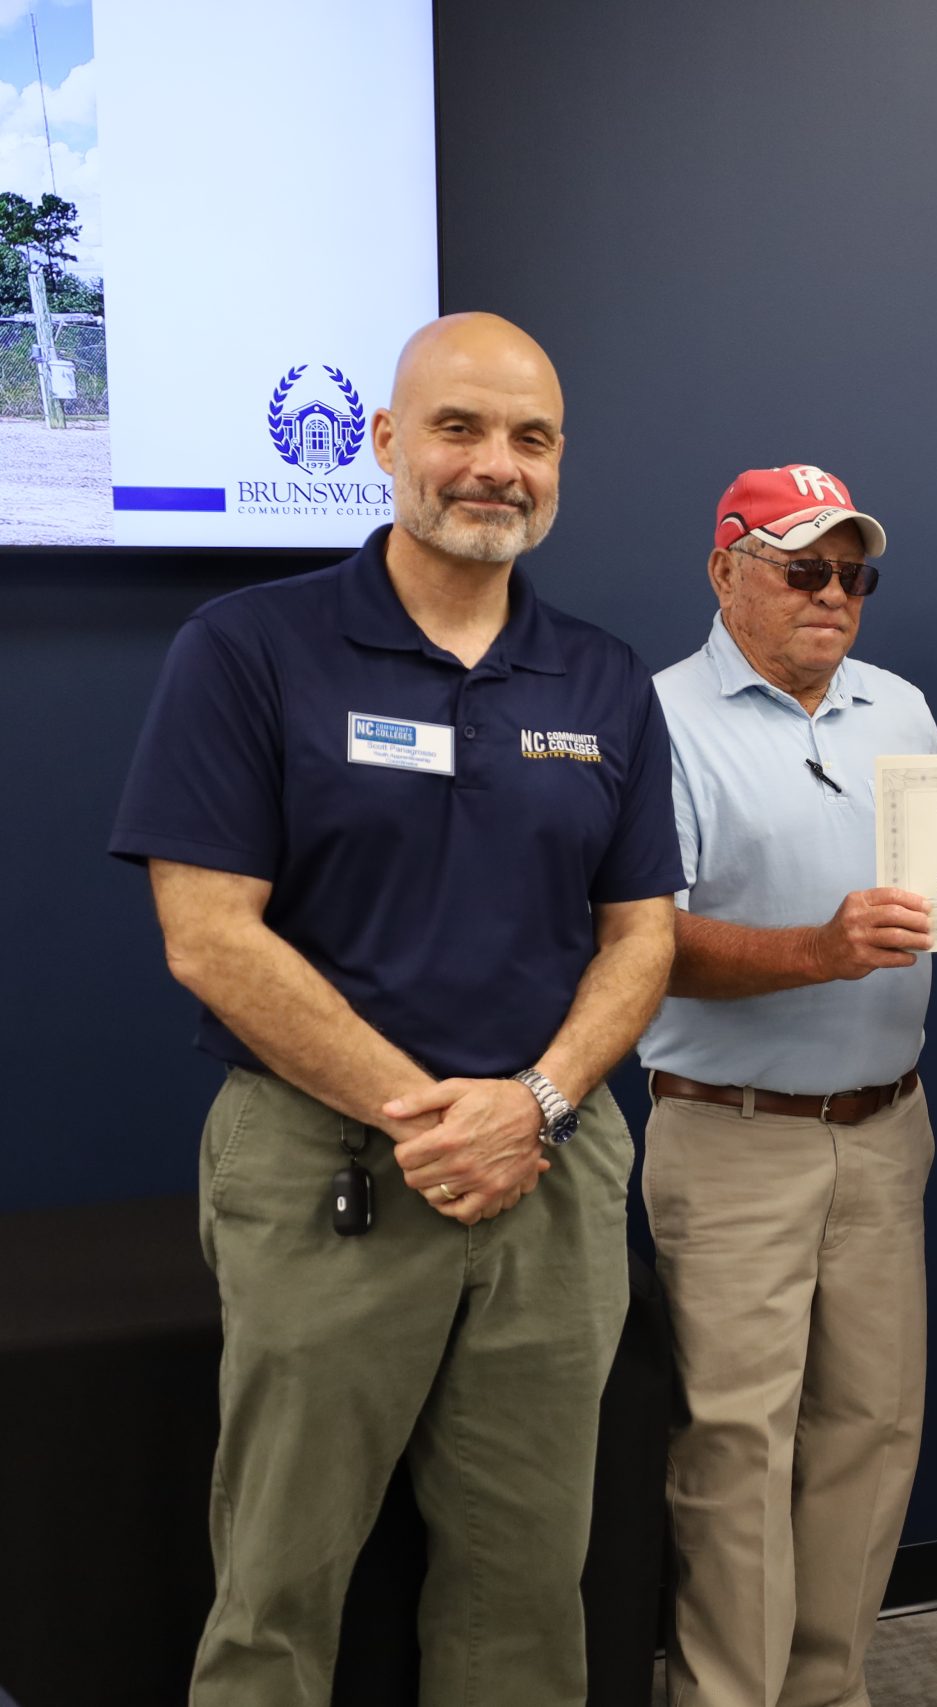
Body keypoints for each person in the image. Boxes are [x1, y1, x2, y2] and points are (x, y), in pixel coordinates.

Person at [107, 313, 681, 1705]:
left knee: (528, 1574)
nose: (495, 466)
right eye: (460, 428)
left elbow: (644, 932)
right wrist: (429, 1115)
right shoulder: (253, 646)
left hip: (550, 1169)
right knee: (281, 1574)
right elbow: (206, 932)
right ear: (384, 443)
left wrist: (531, 1106)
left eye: (530, 439)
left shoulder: (600, 674)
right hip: (328, 1168)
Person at [637, 464, 937, 1707]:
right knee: (733, 1454)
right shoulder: (655, 717)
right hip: (731, 1138)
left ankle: (829, 1690)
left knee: (869, 1434)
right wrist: (817, 949)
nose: (832, 594)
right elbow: (646, 941)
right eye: (800, 567)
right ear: (725, 571)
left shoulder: (900, 710)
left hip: (886, 1128)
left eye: (851, 573)